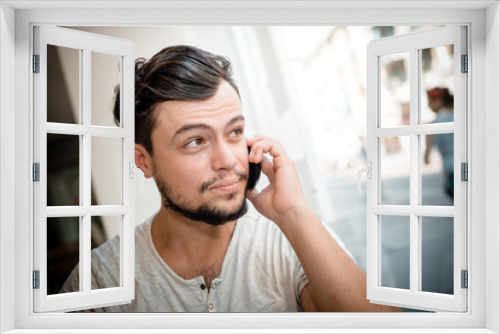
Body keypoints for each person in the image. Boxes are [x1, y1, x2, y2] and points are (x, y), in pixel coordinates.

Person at [61, 45, 400, 313]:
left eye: (235, 132)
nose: (227, 160)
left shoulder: (289, 238)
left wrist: (294, 214)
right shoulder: (99, 283)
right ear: (143, 160)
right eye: (195, 141)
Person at [424, 87, 454, 199]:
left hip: (450, 169)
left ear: (440, 101)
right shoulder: (462, 115)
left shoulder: (432, 124)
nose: (428, 105)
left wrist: (426, 157)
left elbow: (426, 156)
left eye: (431, 101)